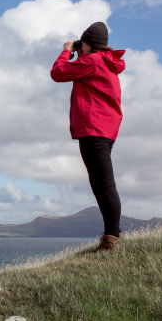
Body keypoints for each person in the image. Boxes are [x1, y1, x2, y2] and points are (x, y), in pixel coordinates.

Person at [50, 22, 126, 252]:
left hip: (94, 126)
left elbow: (58, 73)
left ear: (88, 44)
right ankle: (111, 235)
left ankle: (112, 238)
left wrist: (67, 50)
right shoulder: (105, 61)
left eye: (82, 43)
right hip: (105, 127)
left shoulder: (91, 61)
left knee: (103, 182)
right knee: (100, 181)